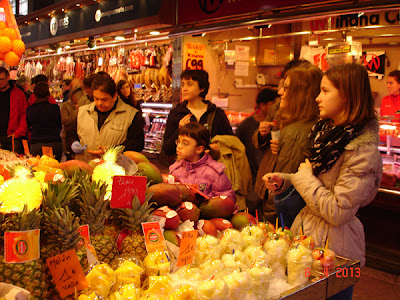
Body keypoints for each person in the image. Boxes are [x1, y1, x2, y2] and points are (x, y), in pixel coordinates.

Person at [263, 63, 382, 300]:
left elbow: (338, 211)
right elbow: (320, 183)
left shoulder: (362, 150)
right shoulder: (327, 136)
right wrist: (287, 181)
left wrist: (303, 177)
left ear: (348, 96)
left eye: (326, 91)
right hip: (308, 237)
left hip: (336, 250)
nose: (318, 98)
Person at [253, 59, 313, 223]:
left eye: (286, 88)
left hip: (285, 193)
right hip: (270, 177)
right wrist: (262, 134)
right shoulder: (278, 108)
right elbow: (260, 138)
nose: (280, 92)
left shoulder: (303, 127)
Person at [162, 69, 233, 157]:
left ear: (202, 88)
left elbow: (231, 141)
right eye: (183, 85)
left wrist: (218, 146)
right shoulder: (176, 113)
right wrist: (179, 130)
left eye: (189, 84)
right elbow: (167, 150)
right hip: (185, 168)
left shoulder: (216, 113)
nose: (184, 89)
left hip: (212, 166)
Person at [75, 73, 145, 162]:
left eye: (104, 100)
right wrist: (73, 143)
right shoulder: (83, 111)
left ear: (115, 96)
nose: (99, 103)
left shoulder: (131, 115)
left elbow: (137, 144)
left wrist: (113, 150)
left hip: (115, 170)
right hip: (85, 168)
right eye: (96, 99)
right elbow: (71, 134)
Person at [235, 87, 278, 213]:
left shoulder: (276, 125)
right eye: (273, 104)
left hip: (270, 175)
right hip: (251, 176)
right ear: (263, 105)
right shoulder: (246, 126)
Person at [169, 122, 236, 200]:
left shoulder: (214, 173)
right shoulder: (175, 170)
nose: (179, 146)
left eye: (185, 143)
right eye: (178, 141)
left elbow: (226, 200)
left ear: (199, 149)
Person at [26, 82, 63, 161]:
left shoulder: (30, 110)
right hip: (54, 142)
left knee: (37, 170)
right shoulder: (54, 108)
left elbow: (29, 127)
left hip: (37, 143)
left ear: (35, 95)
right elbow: (59, 124)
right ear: (48, 95)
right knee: (55, 170)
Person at [0, 67, 27, 154]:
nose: (0, 82)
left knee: (13, 164)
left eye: (2, 79)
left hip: (12, 137)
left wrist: (18, 132)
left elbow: (24, 114)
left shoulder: (18, 94)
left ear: (8, 77)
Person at [60, 88, 90, 160]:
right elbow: (65, 121)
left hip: (83, 137)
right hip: (69, 137)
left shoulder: (87, 106)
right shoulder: (65, 105)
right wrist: (76, 112)